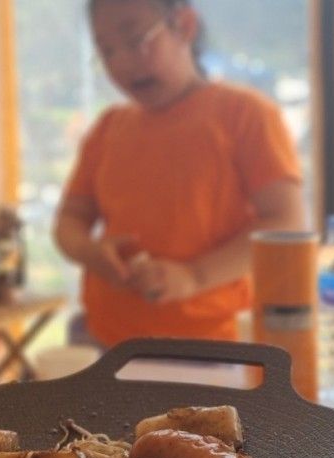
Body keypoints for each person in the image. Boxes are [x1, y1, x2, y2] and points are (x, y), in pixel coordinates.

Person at [54, 0, 306, 347]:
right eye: (107, 50)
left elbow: (286, 221)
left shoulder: (245, 115)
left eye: (135, 40)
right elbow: (70, 218)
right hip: (109, 340)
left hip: (214, 345)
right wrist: (88, 250)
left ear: (184, 26)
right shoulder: (108, 127)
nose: (122, 63)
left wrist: (194, 276)